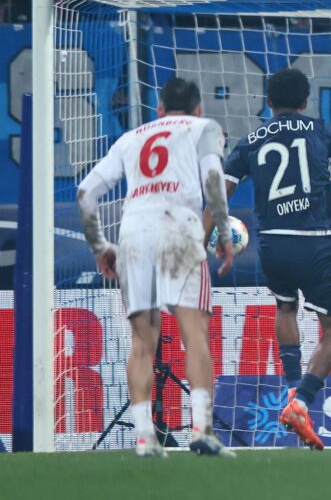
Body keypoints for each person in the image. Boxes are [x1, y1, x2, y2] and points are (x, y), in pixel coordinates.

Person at [75, 77, 236, 458]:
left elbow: (85, 193)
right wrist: (224, 232)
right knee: (194, 334)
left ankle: (145, 437)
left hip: (133, 232)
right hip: (178, 227)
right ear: (198, 109)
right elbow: (214, 179)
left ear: (159, 110)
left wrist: (101, 246)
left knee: (142, 342)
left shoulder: (131, 137)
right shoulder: (204, 128)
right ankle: (202, 431)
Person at [214, 67, 331, 451]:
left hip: (274, 243)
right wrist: (319, 204)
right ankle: (301, 401)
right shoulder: (322, 131)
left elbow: (219, 199)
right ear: (305, 101)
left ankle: (292, 385)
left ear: (268, 103)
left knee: (285, 307)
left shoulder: (248, 144)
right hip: (316, 240)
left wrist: (208, 238)